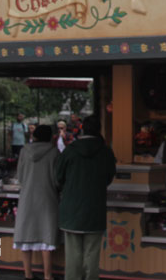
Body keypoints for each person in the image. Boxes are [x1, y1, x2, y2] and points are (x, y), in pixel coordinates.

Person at [55, 115, 116, 280]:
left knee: (73, 254)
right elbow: (109, 177)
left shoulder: (70, 150)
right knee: (92, 254)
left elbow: (58, 177)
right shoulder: (105, 152)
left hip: (71, 209)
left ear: (82, 129)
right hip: (95, 208)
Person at [15, 125, 59, 280]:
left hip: (27, 198)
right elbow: (57, 179)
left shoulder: (24, 151)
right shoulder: (54, 152)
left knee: (25, 237)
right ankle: (48, 276)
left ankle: (28, 274)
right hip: (48, 198)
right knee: (46, 238)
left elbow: (19, 177)